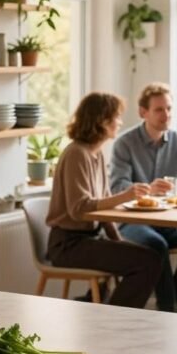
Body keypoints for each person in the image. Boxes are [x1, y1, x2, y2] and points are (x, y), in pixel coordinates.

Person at [46, 91, 162, 309]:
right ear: (101, 120)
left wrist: (117, 240)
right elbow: (78, 209)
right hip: (68, 245)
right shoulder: (76, 154)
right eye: (116, 116)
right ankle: (113, 318)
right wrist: (127, 195)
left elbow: (104, 204)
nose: (119, 122)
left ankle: (102, 307)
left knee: (150, 255)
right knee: (148, 261)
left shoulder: (95, 153)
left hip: (89, 239)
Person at [110, 82, 177, 313]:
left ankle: (175, 296)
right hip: (133, 222)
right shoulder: (124, 144)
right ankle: (168, 308)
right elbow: (117, 187)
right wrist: (147, 189)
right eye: (159, 109)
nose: (166, 115)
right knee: (156, 245)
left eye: (169, 109)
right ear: (143, 112)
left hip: (169, 220)